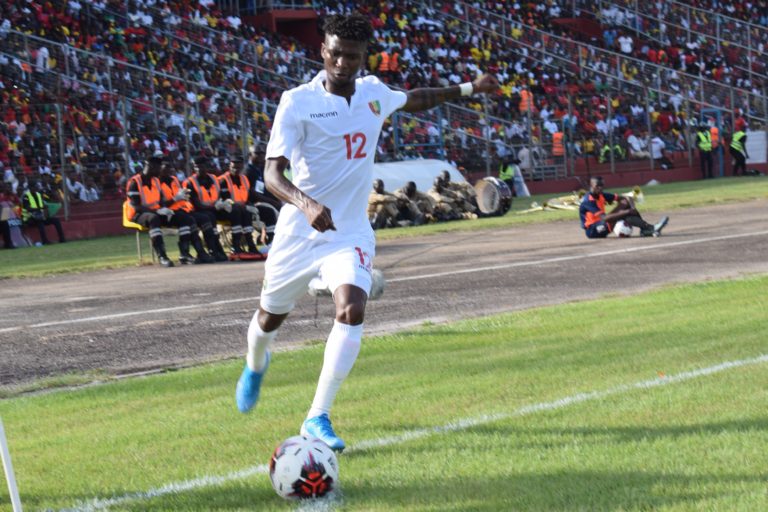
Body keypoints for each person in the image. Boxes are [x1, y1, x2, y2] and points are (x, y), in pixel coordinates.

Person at [234, 12, 499, 451]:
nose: (342, 63)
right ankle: (256, 365)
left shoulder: (374, 94)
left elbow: (418, 98)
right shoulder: (296, 102)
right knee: (269, 319)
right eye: (336, 53)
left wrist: (470, 88)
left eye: (352, 56)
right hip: (299, 233)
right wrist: (307, 204)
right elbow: (272, 175)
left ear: (363, 57)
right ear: (323, 50)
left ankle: (317, 416)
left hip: (349, 232)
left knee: (352, 308)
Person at [126, 151, 198, 267]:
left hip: (156, 212)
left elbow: (161, 202)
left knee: (184, 218)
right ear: (151, 167)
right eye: (158, 168)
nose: (160, 171)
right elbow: (136, 206)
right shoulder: (135, 182)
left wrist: (168, 208)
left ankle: (184, 254)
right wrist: (157, 211)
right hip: (138, 214)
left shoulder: (155, 181)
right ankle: (162, 257)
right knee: (153, 218)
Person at [158, 161, 215, 264]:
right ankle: (189, 253)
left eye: (169, 169)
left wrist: (185, 196)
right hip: (167, 213)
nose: (168, 172)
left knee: (204, 218)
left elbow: (180, 196)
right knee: (189, 220)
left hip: (182, 210)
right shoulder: (156, 183)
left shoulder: (174, 179)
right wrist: (175, 199)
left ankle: (212, 250)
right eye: (165, 169)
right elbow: (159, 204)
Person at [579, 176, 668, 239]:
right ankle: (649, 228)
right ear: (591, 186)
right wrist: (627, 212)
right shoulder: (588, 201)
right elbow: (605, 218)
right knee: (624, 214)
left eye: (602, 185)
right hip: (593, 230)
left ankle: (645, 229)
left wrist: (632, 208)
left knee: (625, 204)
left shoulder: (601, 195)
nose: (600, 188)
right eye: (597, 186)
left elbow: (626, 198)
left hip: (602, 224)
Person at [183, 155, 230, 262]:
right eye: (197, 167)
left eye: (202, 166)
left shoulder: (213, 178)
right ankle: (214, 249)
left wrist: (223, 204)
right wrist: (214, 207)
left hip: (212, 209)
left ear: (207, 166)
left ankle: (235, 248)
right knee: (208, 217)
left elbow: (219, 195)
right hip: (195, 211)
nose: (199, 169)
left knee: (236, 212)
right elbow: (196, 204)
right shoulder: (190, 182)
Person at [218, 156, 265, 259]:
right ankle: (236, 245)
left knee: (248, 211)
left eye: (238, 168)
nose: (236, 170)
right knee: (238, 211)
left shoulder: (244, 179)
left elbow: (247, 197)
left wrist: (250, 205)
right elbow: (225, 199)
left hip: (241, 209)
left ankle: (250, 244)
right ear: (229, 167)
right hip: (224, 209)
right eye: (233, 167)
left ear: (242, 167)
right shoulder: (223, 180)